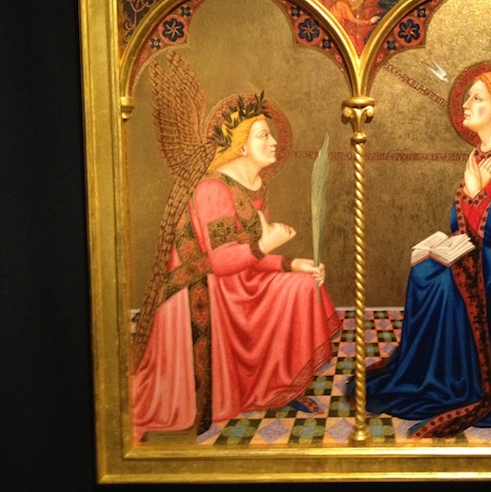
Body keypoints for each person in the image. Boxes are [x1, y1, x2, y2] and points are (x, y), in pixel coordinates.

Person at [360, 69, 491, 438]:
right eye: (468, 96)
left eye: (477, 98)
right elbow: (456, 220)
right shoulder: (480, 153)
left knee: (444, 285)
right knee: (425, 272)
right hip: (490, 252)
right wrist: (463, 211)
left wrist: (475, 191)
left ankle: (457, 382)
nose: (466, 103)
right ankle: (431, 372)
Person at [132, 103, 340, 441]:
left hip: (239, 281)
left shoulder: (256, 184)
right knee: (292, 288)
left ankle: (281, 384)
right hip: (204, 291)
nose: (273, 142)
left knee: (303, 285)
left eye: (272, 135)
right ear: (241, 146)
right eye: (263, 136)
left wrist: (291, 264)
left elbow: (251, 257)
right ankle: (257, 386)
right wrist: (266, 246)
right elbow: (220, 261)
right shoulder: (213, 188)